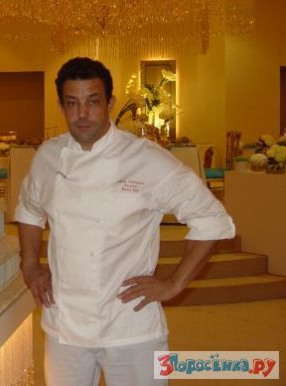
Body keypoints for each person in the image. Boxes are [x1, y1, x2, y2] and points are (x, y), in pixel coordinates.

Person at [15, 57, 235, 386]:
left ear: (110, 103)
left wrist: (174, 284)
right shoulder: (48, 156)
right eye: (72, 103)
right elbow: (30, 209)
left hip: (130, 326)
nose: (83, 114)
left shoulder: (146, 159)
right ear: (61, 106)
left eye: (93, 102)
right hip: (65, 325)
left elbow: (212, 218)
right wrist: (30, 265)